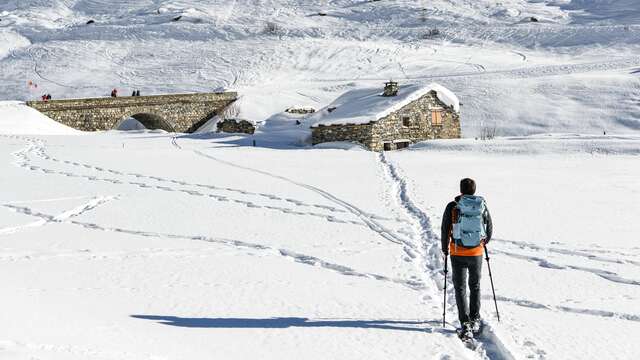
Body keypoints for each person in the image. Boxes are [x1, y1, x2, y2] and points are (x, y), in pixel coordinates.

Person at [441, 178, 492, 338]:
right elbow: (489, 227)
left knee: (460, 288)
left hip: (457, 251)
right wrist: (483, 242)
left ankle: (465, 323)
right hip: (476, 252)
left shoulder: (453, 206)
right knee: (475, 285)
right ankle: (475, 318)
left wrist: (445, 249)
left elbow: (445, 228)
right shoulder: (481, 205)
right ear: (474, 190)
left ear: (461, 190)